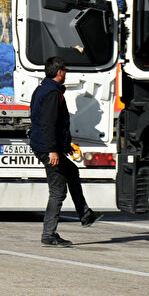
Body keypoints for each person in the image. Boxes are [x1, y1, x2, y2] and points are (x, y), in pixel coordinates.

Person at [29, 56, 102, 246]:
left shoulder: (42, 89)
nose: (66, 73)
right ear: (59, 72)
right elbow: (48, 124)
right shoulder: (52, 94)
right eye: (65, 70)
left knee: (72, 171)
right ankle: (48, 235)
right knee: (58, 191)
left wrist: (64, 146)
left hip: (46, 145)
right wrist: (53, 150)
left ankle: (85, 214)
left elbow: (49, 123)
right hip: (47, 148)